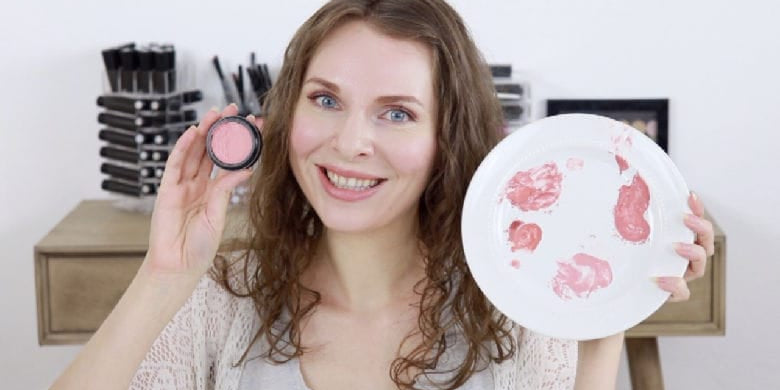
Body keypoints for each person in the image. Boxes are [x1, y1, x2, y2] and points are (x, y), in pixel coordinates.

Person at [52, 0, 715, 389]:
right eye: (326, 100)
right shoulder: (222, 303)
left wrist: (603, 319)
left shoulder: (518, 314)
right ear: (285, 115)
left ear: (445, 140)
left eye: (396, 112)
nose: (349, 141)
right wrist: (162, 278)